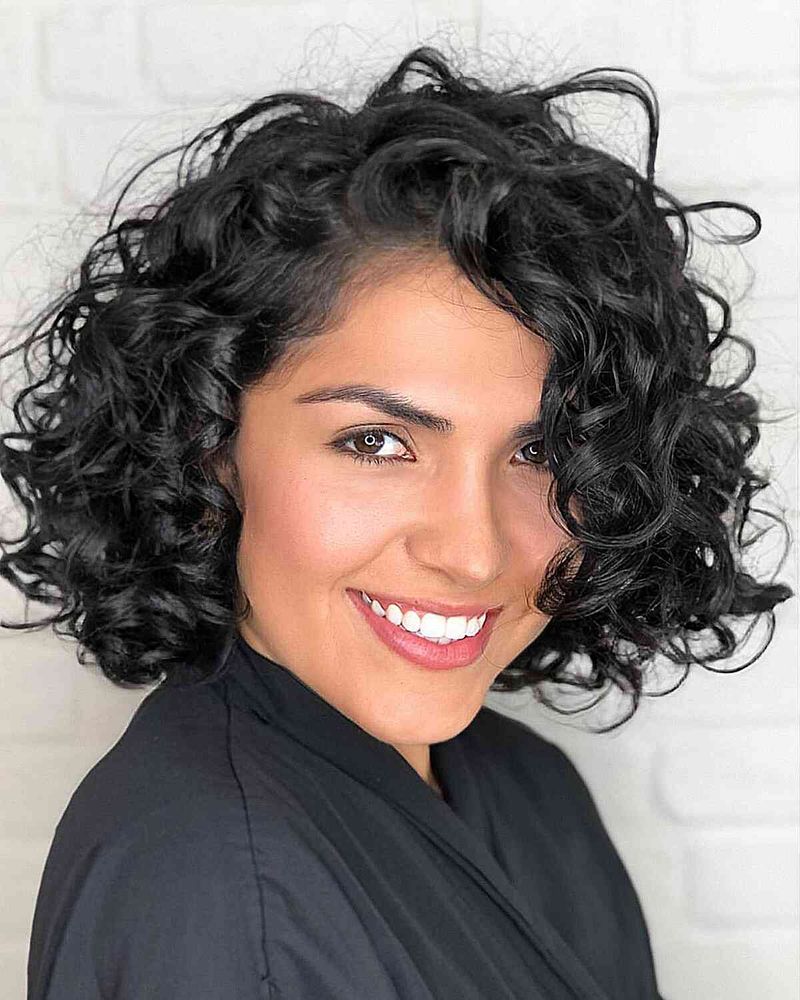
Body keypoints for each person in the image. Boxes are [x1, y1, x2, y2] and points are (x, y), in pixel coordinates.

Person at [1, 45, 792, 1000]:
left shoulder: (530, 790)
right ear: (210, 445)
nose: (474, 551)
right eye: (376, 443)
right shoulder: (220, 892)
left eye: (540, 453)